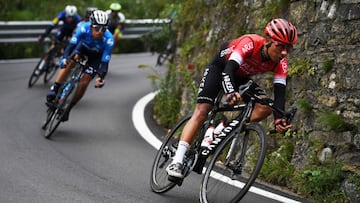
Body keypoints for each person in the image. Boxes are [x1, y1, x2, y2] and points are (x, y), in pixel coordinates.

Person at [165, 18, 298, 178]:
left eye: (288, 48)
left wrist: (279, 119)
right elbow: (228, 70)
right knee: (202, 111)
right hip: (221, 68)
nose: (284, 52)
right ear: (268, 40)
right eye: (281, 46)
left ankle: (225, 127)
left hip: (242, 77)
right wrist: (230, 92)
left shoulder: (281, 63)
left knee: (265, 107)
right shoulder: (250, 43)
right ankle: (177, 161)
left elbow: (280, 93)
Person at [46, 10, 114, 122]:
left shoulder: (109, 39)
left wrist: (100, 78)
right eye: (97, 28)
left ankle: (68, 108)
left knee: (85, 82)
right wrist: (64, 59)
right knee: (72, 60)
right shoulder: (83, 28)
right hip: (82, 48)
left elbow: (105, 63)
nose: (100, 32)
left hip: (95, 57)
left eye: (104, 29)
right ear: (91, 26)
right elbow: (71, 46)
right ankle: (55, 87)